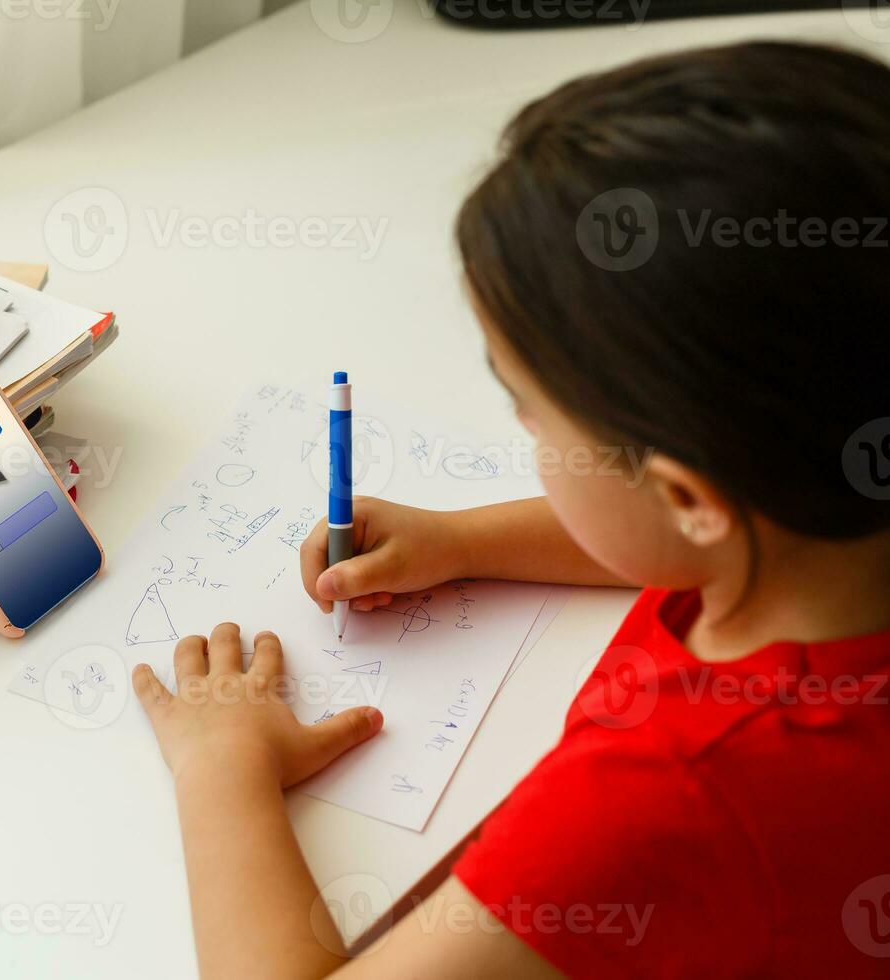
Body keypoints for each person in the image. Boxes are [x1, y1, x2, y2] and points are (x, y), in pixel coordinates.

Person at [131, 41, 890, 977]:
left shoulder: (668, 790)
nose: (529, 438)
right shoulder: (834, 521)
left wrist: (222, 770)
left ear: (691, 496)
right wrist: (463, 538)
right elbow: (719, 532)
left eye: (530, 412)